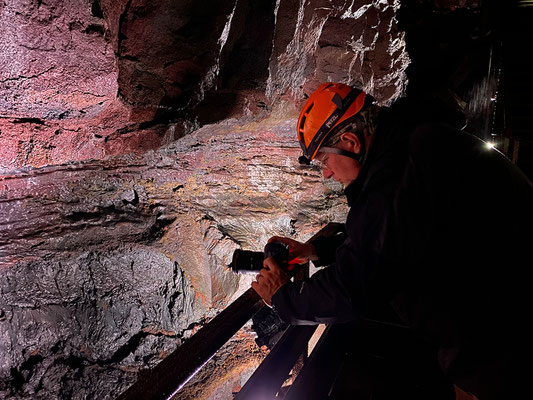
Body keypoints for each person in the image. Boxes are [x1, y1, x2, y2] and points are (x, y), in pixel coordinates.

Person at [251, 82, 532, 399]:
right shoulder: (415, 145)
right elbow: (395, 236)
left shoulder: (395, 176)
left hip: (500, 344)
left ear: (350, 142)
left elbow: (354, 286)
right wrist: (318, 249)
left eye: (324, 161)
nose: (327, 174)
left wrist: (281, 297)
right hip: (503, 315)